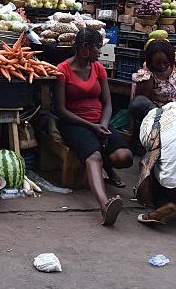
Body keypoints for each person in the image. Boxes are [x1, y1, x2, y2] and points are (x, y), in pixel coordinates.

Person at [55, 28, 133, 226]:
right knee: (94, 156)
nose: (100, 52)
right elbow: (61, 110)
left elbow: (107, 103)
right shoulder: (62, 70)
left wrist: (103, 125)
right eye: (97, 48)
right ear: (84, 49)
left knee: (124, 157)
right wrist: (91, 126)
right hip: (74, 123)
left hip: (100, 122)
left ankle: (109, 165)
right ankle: (105, 204)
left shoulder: (98, 68)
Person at [132, 39, 176, 107]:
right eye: (158, 63)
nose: (162, 66)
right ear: (151, 62)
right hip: (159, 114)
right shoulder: (147, 77)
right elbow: (141, 106)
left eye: (166, 63)